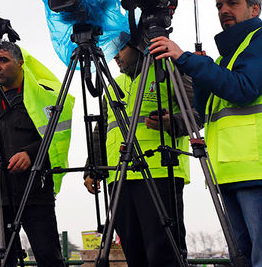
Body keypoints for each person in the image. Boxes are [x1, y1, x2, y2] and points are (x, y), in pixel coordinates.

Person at [150, 0, 262, 266]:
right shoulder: (225, 57)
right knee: (243, 259)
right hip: (231, 170)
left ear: (255, 8)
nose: (223, 10)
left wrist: (186, 59)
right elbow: (204, 113)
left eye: (233, 3)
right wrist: (200, 69)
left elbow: (243, 90)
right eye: (219, 5)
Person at [83, 41, 200, 265]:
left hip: (160, 173)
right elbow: (103, 130)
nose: (115, 56)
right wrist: (92, 168)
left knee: (164, 254)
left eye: (120, 49)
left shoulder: (168, 71)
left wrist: (171, 122)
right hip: (119, 177)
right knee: (134, 253)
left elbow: (199, 111)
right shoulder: (114, 84)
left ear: (138, 46)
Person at [0, 41, 73, 267]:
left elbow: (57, 138)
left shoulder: (44, 97)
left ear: (21, 64)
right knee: (1, 262)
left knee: (49, 258)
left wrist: (31, 154)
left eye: (3, 60)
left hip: (34, 189)